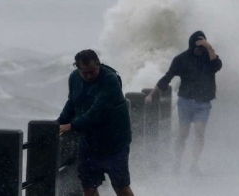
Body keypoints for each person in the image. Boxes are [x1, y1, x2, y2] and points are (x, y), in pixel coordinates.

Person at [57, 49, 134, 196]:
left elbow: (98, 111)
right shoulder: (74, 78)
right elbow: (72, 104)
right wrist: (58, 123)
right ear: (77, 68)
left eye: (92, 71)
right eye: (84, 73)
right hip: (89, 142)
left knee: (121, 187)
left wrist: (71, 126)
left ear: (99, 64)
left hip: (115, 142)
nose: (89, 76)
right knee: (88, 187)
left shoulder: (110, 80)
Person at [145, 31, 222, 174]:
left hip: (203, 104)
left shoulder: (208, 58)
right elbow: (167, 78)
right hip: (185, 102)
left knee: (200, 133)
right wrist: (151, 94)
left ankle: (194, 164)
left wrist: (209, 46)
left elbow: (217, 66)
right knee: (183, 134)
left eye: (202, 47)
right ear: (191, 46)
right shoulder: (181, 59)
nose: (200, 50)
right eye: (197, 47)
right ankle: (177, 161)